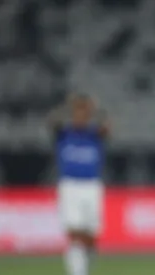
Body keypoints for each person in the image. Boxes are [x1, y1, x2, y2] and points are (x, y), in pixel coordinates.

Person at [47, 93, 110, 275]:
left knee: (90, 236)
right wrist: (67, 107)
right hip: (70, 186)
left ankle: (85, 264)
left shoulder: (95, 134)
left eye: (84, 112)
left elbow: (107, 126)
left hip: (91, 186)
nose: (80, 116)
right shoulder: (63, 133)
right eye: (77, 112)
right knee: (74, 232)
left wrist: (94, 110)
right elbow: (52, 121)